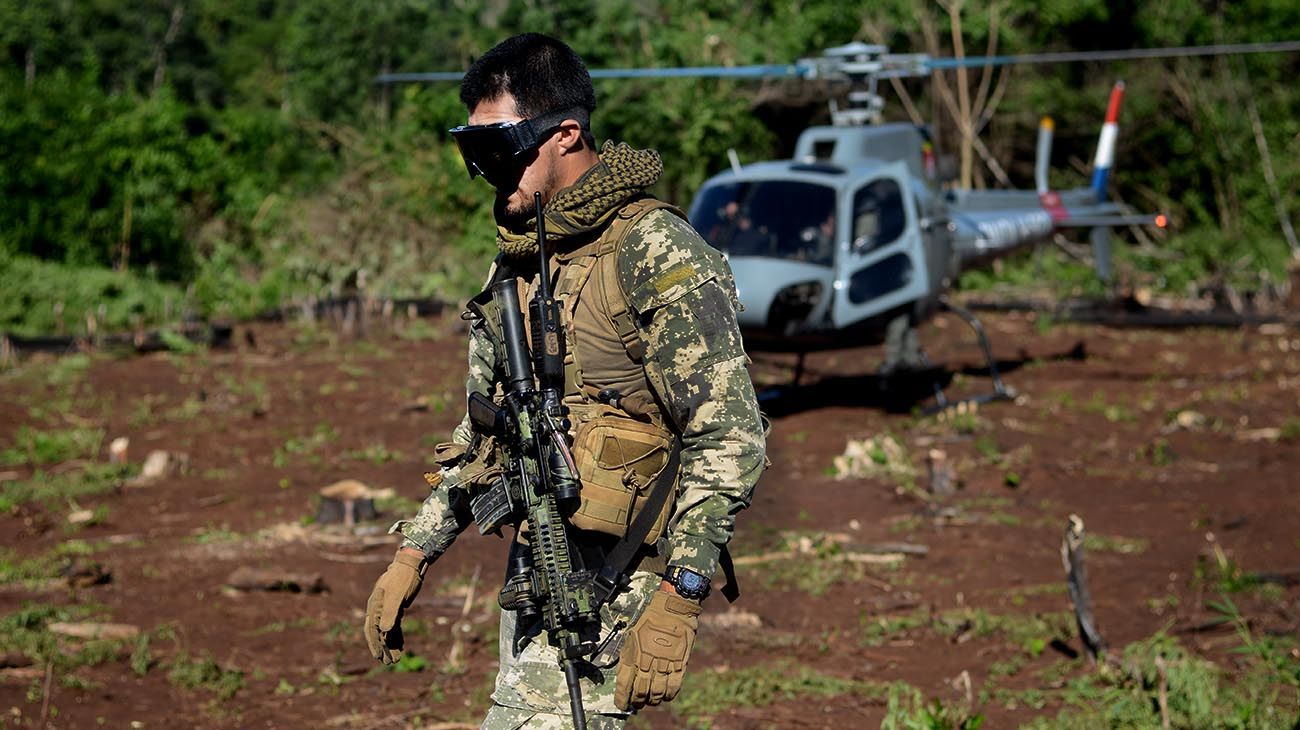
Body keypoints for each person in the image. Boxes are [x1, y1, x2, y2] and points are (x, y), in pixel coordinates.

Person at [363, 33, 766, 728]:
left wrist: (683, 587)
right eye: (475, 155)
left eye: (502, 150)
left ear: (566, 135)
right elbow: (483, 434)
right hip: (539, 570)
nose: (491, 174)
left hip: (624, 575)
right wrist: (415, 550)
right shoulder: (519, 262)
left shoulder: (653, 248)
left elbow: (729, 432)